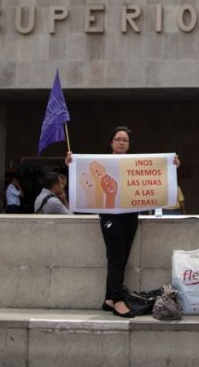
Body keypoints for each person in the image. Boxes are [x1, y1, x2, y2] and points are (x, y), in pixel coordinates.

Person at [66, 126, 180, 319]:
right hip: (110, 216)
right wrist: (71, 163)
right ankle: (118, 300)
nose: (121, 142)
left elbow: (157, 175)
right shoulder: (100, 164)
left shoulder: (133, 163)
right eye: (118, 139)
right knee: (116, 258)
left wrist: (171, 165)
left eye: (124, 140)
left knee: (122, 256)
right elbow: (81, 177)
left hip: (131, 215)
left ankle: (109, 298)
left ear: (128, 144)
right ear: (111, 142)